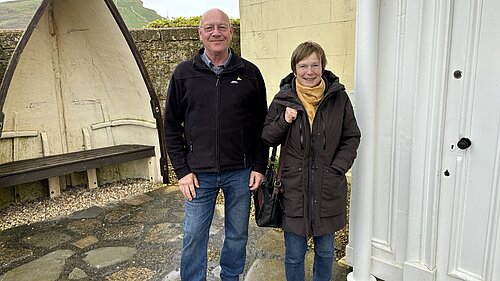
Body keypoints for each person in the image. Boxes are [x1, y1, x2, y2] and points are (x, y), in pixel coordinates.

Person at [163, 8, 268, 281]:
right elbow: (171, 126)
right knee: (194, 234)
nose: (216, 32)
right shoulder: (184, 74)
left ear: (231, 32)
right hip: (198, 175)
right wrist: (182, 171)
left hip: (241, 172)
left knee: (237, 234)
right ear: (200, 34)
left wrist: (259, 165)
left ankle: (231, 277)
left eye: (222, 27)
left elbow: (261, 126)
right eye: (209, 28)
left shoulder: (250, 74)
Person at [261, 41, 361, 281]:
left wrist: (337, 168)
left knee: (325, 252)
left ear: (323, 66)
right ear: (294, 69)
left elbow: (352, 136)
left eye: (315, 65)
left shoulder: (338, 97)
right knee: (294, 254)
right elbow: (266, 137)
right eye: (303, 65)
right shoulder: (284, 98)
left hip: (327, 188)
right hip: (294, 189)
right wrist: (284, 120)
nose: (309, 71)